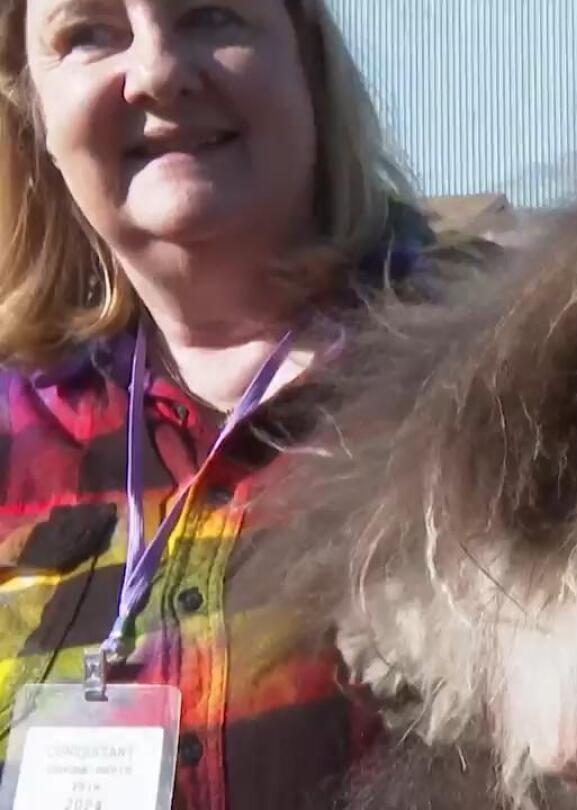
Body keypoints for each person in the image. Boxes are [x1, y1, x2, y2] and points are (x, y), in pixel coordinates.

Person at [0, 1, 440, 807]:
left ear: (305, 58)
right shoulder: (11, 435)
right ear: (30, 105)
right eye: (88, 33)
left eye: (210, 14)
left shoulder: (511, 374)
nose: (159, 71)